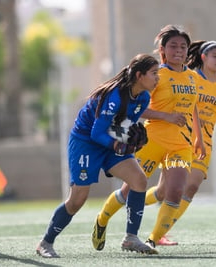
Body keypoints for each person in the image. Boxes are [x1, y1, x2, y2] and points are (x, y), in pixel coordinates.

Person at [92, 25, 206, 253]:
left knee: (174, 191)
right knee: (129, 191)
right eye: (173, 46)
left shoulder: (193, 77)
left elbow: (193, 108)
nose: (179, 50)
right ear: (162, 50)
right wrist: (166, 116)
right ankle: (102, 219)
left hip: (180, 145)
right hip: (152, 141)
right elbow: (137, 108)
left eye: (183, 47)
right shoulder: (156, 75)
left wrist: (199, 138)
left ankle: (152, 240)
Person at [36, 53, 160, 258]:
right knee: (77, 200)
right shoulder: (115, 96)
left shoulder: (144, 97)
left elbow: (123, 127)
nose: (157, 78)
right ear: (139, 75)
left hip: (108, 140)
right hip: (86, 142)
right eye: (154, 73)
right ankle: (45, 243)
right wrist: (120, 147)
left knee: (139, 180)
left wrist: (130, 140)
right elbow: (95, 133)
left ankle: (131, 237)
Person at [144, 40, 216, 245]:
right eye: (215, 56)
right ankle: (135, 202)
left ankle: (159, 234)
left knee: (191, 187)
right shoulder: (190, 77)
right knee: (162, 192)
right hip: (181, 139)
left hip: (205, 143)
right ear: (203, 57)